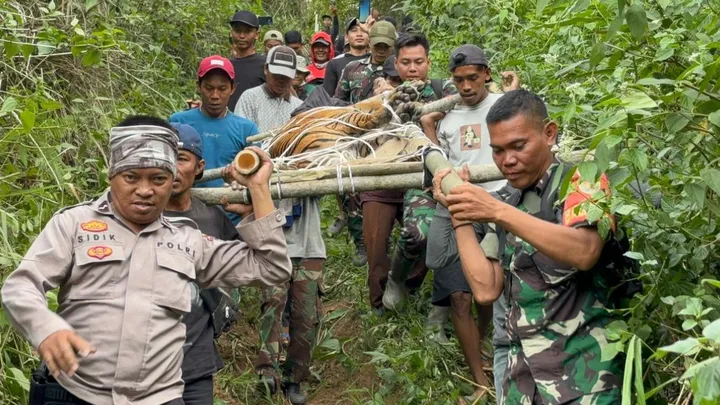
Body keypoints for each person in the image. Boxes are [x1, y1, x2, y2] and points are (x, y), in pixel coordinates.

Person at [1, 115, 291, 405]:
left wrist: (258, 188)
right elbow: (20, 287)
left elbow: (272, 268)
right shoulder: (74, 225)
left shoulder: (189, 239)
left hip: (159, 398)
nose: (144, 190)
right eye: (131, 177)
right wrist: (46, 329)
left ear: (172, 181)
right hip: (76, 394)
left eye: (158, 178)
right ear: (111, 175)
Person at [432, 89, 623, 404]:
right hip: (523, 380)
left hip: (585, 377)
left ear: (549, 133)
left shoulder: (581, 180)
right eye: (498, 150)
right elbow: (485, 288)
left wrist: (497, 212)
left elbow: (585, 251)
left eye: (518, 146)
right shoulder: (508, 198)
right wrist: (460, 213)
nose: (507, 160)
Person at [421, 44, 520, 403]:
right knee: (458, 294)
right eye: (459, 80)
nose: (465, 86)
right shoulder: (445, 114)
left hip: (497, 203)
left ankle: (483, 350)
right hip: (456, 204)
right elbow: (438, 162)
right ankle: (479, 378)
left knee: (487, 293)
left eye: (472, 78)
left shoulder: (500, 106)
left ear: (486, 74)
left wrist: (515, 94)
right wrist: (429, 128)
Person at [240, 48, 326, 405]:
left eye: (286, 77)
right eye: (274, 74)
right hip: (269, 220)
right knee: (272, 300)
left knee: (307, 311)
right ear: (265, 71)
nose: (279, 81)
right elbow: (242, 148)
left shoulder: (305, 111)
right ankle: (266, 371)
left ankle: (296, 377)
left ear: (297, 76)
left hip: (307, 229)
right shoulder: (249, 101)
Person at [359, 32, 455, 318]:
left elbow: (471, 96)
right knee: (376, 247)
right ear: (396, 63)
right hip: (381, 181)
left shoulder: (443, 90)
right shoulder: (381, 94)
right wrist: (381, 101)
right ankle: (379, 308)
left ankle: (407, 288)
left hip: (423, 180)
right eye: (406, 62)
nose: (412, 68)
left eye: (419, 61)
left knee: (421, 238)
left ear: (428, 61)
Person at [165, 122, 240, 405]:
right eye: (164, 156)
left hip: (197, 362)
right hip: (149, 367)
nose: (171, 167)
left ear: (199, 167)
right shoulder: (138, 216)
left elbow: (245, 265)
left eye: (181, 158)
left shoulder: (211, 217)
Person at [169, 55, 259, 223]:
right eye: (209, 88)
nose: (215, 95)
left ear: (233, 88)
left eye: (222, 88)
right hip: (184, 216)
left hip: (230, 218)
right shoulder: (178, 122)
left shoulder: (247, 129)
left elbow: (256, 174)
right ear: (198, 87)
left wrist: (238, 179)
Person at [235, 46, 304, 132]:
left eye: (286, 76)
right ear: (266, 69)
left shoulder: (298, 107)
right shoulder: (250, 98)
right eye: (277, 75)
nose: (281, 80)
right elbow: (240, 133)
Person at [334, 21, 396, 103]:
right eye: (377, 46)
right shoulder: (352, 68)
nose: (381, 51)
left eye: (386, 47)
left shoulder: (400, 70)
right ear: (369, 42)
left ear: (393, 46)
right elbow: (338, 101)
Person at [322, 17, 371, 96]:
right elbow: (327, 98)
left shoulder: (376, 60)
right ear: (346, 36)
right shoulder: (334, 64)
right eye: (354, 30)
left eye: (363, 31)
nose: (359, 34)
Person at [227, 10, 266, 111]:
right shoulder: (226, 66)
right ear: (231, 33)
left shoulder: (265, 65)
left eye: (247, 31)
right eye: (237, 31)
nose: (242, 36)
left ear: (257, 35)